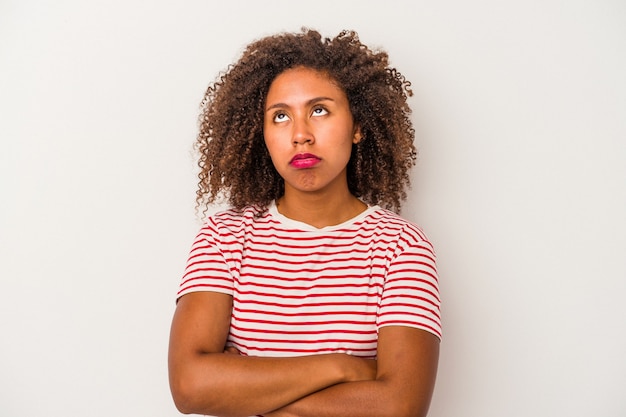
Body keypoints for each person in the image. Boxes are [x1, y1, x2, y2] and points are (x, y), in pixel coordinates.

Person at [168, 28, 441, 417]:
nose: (300, 135)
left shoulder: (401, 246)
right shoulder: (224, 237)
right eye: (280, 116)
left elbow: (399, 406)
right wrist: (343, 367)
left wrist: (241, 389)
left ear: (358, 126)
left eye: (319, 110)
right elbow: (190, 387)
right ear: (260, 134)